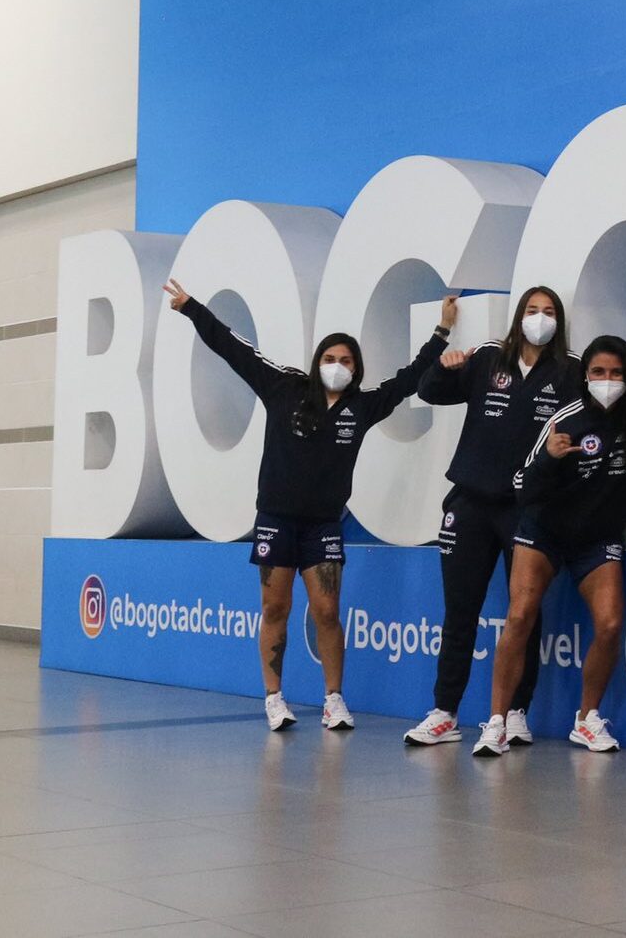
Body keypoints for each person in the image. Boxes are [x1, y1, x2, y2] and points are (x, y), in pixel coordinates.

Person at [162, 279, 453, 731]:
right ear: (318, 362)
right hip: (275, 520)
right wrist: (191, 308)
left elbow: (408, 380)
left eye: (346, 361)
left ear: (356, 369)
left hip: (323, 527)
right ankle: (274, 699)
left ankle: (334, 699)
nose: (337, 367)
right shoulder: (284, 387)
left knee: (327, 612)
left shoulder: (363, 406)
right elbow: (234, 349)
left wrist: (441, 334)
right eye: (330, 359)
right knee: (275, 610)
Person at [474, 335, 626, 756]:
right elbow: (522, 488)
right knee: (520, 614)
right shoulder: (565, 419)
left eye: (616, 373)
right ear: (585, 376)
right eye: (599, 372)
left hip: (598, 539)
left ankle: (586, 719)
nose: (608, 380)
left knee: (608, 624)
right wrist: (550, 457)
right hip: (543, 530)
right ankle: (496, 721)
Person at [402, 287, 577, 748]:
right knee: (460, 610)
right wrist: (443, 366)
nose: (539, 319)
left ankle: (517, 712)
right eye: (532, 310)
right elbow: (429, 391)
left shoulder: (571, 371)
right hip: (472, 504)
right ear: (518, 316)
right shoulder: (487, 357)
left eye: (549, 312)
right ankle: (445, 712)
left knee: (525, 613)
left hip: (529, 509)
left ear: (559, 321)